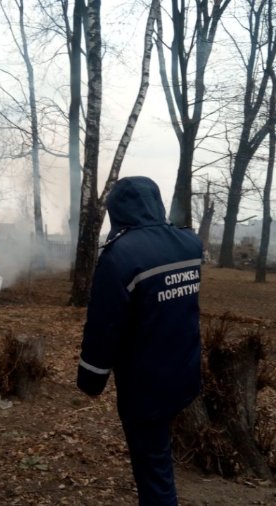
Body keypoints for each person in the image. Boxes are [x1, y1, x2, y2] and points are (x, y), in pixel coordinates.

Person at [77, 176, 203, 505]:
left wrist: (90, 379)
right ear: (156, 202)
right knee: (159, 455)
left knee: (154, 472)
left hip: (146, 388)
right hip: (185, 374)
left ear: (116, 210)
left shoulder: (120, 256)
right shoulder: (189, 244)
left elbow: (104, 326)